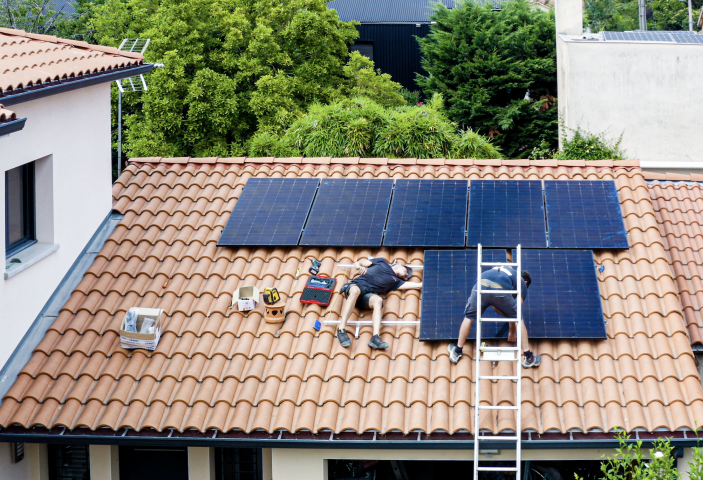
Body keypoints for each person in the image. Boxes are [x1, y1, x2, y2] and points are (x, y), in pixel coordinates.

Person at [448, 266, 541, 368]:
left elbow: (494, 305)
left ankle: (457, 351)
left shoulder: (505, 271)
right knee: (519, 319)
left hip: (480, 285)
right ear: (526, 282)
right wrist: (512, 331)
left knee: (469, 317)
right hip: (500, 288)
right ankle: (528, 357)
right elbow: (516, 311)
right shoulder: (522, 282)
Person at [337, 258, 422, 349]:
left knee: (378, 300)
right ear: (399, 265)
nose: (406, 275)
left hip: (366, 296)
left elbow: (417, 286)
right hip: (356, 287)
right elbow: (360, 262)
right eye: (406, 271)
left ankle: (375, 337)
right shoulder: (382, 262)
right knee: (355, 291)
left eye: (406, 276)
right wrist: (358, 266)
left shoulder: (396, 282)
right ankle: (341, 329)